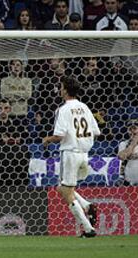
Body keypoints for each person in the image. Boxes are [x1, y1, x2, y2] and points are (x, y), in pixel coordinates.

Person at [42, 76, 100, 238]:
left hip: (69, 153)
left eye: (61, 87)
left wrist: (47, 140)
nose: (59, 89)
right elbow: (96, 131)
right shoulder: (85, 107)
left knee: (66, 192)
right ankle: (87, 206)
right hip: (84, 154)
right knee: (62, 187)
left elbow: (59, 135)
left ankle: (88, 229)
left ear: (66, 90)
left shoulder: (63, 109)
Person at [117, 120, 138, 185]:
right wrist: (133, 143)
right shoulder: (123, 144)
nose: (132, 131)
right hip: (128, 183)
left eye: (134, 128)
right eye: (129, 129)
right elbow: (121, 156)